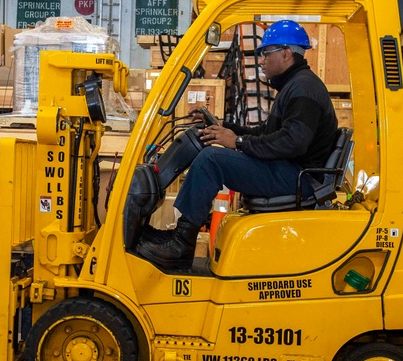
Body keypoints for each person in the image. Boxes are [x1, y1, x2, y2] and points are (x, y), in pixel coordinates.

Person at [137, 19, 339, 270]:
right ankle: (180, 235)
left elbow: (292, 143)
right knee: (212, 153)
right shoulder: (295, 86)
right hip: (290, 170)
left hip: (298, 177)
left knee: (212, 159)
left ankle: (181, 244)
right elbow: (267, 133)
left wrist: (238, 142)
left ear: (287, 53)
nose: (262, 61)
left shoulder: (303, 89)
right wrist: (225, 127)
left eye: (266, 53)